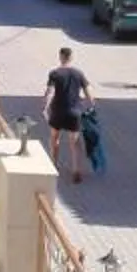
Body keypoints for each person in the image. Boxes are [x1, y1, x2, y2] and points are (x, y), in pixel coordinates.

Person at [43, 46, 93, 181]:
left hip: (58, 111)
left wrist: (46, 106)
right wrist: (89, 106)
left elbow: (50, 92)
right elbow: (89, 95)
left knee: (54, 138)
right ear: (71, 57)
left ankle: (53, 164)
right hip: (74, 112)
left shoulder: (54, 73)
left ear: (60, 57)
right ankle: (76, 170)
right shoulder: (79, 74)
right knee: (75, 142)